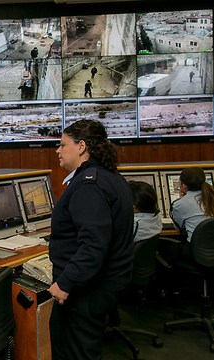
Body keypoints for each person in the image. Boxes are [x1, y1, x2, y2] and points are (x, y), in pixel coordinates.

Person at [48, 119, 134, 360]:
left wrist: (65, 284)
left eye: (63, 144)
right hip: (101, 285)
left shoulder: (89, 186)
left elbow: (93, 245)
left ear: (81, 146)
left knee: (75, 351)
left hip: (86, 291)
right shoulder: (108, 176)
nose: (58, 150)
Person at [168, 167, 214, 259]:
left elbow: (179, 228)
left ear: (184, 186)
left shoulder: (180, 204)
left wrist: (182, 199)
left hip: (198, 253)